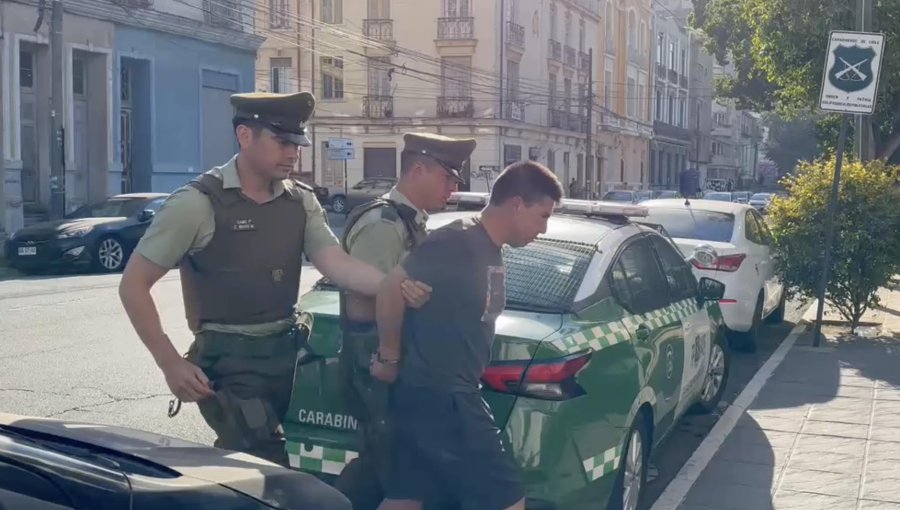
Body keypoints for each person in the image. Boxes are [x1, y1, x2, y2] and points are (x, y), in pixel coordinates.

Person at [118, 91, 429, 474]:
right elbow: (133, 284)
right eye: (282, 141)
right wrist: (168, 362)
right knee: (268, 469)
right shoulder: (197, 203)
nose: (293, 153)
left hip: (283, 355)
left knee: (243, 474)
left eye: (296, 143)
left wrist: (393, 287)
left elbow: (337, 264)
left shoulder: (299, 201)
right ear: (245, 135)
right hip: (229, 361)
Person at [371, 161, 564, 510]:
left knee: (408, 498)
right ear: (517, 204)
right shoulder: (459, 239)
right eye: (542, 216)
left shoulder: (488, 247)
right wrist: (388, 358)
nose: (544, 228)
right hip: (447, 398)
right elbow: (389, 287)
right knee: (507, 501)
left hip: (429, 396)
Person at [334, 132, 476, 510]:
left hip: (397, 367)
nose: (454, 187)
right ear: (418, 170)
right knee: (399, 480)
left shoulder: (410, 222)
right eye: (448, 177)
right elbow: (367, 301)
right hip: (377, 366)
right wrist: (391, 353)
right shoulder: (384, 223)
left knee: (384, 474)